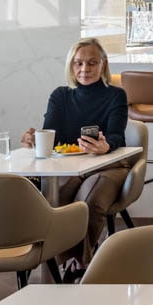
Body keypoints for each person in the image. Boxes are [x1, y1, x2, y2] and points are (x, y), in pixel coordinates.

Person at [21, 38, 131, 278]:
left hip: (108, 165)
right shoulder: (60, 96)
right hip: (68, 166)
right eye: (78, 63)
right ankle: (72, 263)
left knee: (88, 200)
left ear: (103, 64)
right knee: (54, 198)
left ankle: (74, 266)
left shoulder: (116, 95)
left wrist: (105, 145)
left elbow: (116, 136)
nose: (85, 69)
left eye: (92, 63)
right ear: (71, 66)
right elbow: (50, 134)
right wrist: (33, 139)